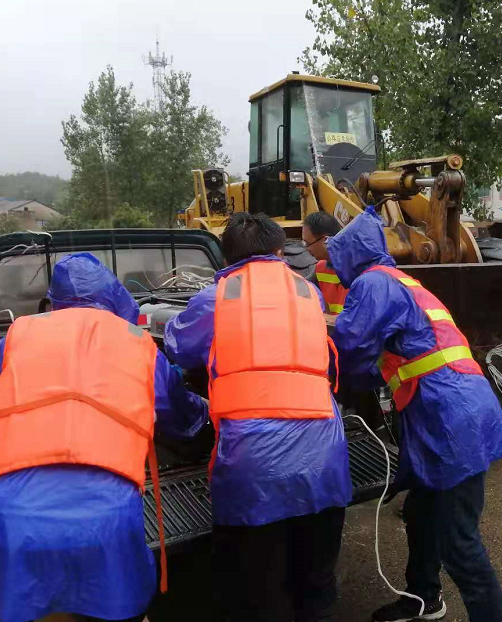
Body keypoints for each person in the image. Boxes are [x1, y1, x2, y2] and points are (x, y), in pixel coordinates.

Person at [0, 253, 208, 622]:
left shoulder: (19, 336)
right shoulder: (140, 345)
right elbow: (182, 417)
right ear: (114, 296)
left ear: (53, 301)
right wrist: (207, 415)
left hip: (7, 520)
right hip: (104, 520)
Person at [327, 207, 502, 622]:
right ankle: (423, 599)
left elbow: (351, 350)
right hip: (450, 408)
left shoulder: (372, 283)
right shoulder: (401, 280)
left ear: (350, 258)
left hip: (449, 416)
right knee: (421, 511)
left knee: (460, 544)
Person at [164, 212, 351, 622]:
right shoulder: (307, 291)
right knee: (316, 584)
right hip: (325, 460)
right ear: (279, 251)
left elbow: (178, 347)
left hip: (255, 471)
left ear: (226, 257)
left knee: (259, 592)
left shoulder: (216, 297)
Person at [303, 211, 348, 316]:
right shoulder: (321, 268)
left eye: (308, 244)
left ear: (326, 241)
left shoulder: (360, 270)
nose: (307, 249)